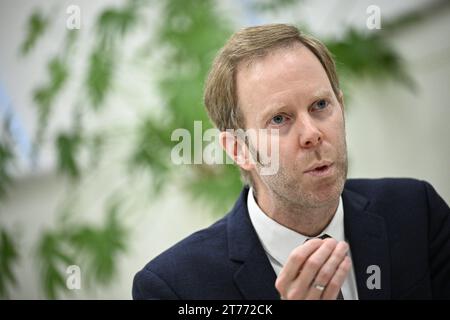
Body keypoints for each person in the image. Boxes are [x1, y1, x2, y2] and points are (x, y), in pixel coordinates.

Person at [132, 24, 450, 300]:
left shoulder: (416, 214)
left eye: (320, 105)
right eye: (280, 118)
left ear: (340, 105)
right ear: (238, 149)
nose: (311, 134)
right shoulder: (175, 287)